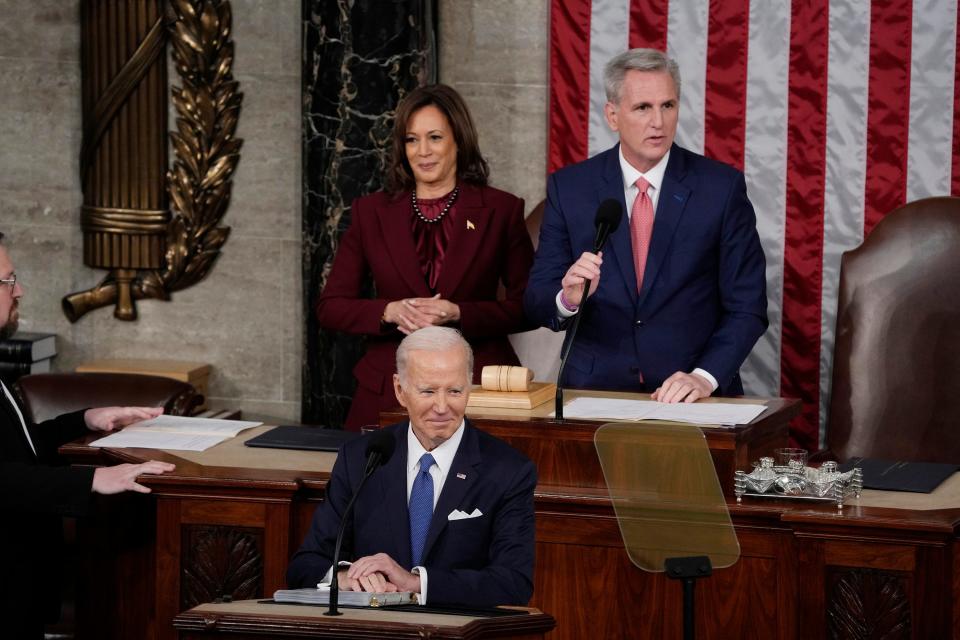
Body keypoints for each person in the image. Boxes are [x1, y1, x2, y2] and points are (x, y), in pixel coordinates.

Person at [524, 49, 767, 402]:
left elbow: (748, 306)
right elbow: (536, 299)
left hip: (690, 393)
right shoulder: (571, 188)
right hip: (593, 391)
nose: (659, 122)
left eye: (667, 106)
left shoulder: (720, 189)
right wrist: (568, 298)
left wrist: (703, 377)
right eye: (643, 108)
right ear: (612, 115)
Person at [317, 84, 535, 430]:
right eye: (411, 140)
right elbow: (331, 306)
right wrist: (388, 311)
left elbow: (529, 305)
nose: (423, 151)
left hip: (475, 388)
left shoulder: (501, 210)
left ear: (458, 141)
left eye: (434, 137)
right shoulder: (370, 212)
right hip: (389, 387)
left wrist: (460, 313)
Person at [0, 231, 177, 639]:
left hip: (22, 589)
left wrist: (87, 419)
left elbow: (20, 451)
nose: (20, 290)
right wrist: (94, 479)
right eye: (10, 281)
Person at [287, 326, 536, 608]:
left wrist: (417, 584)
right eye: (428, 391)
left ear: (469, 387)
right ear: (400, 390)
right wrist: (345, 578)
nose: (442, 407)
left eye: (454, 391)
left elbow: (513, 582)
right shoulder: (360, 458)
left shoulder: (507, 470)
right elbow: (305, 565)